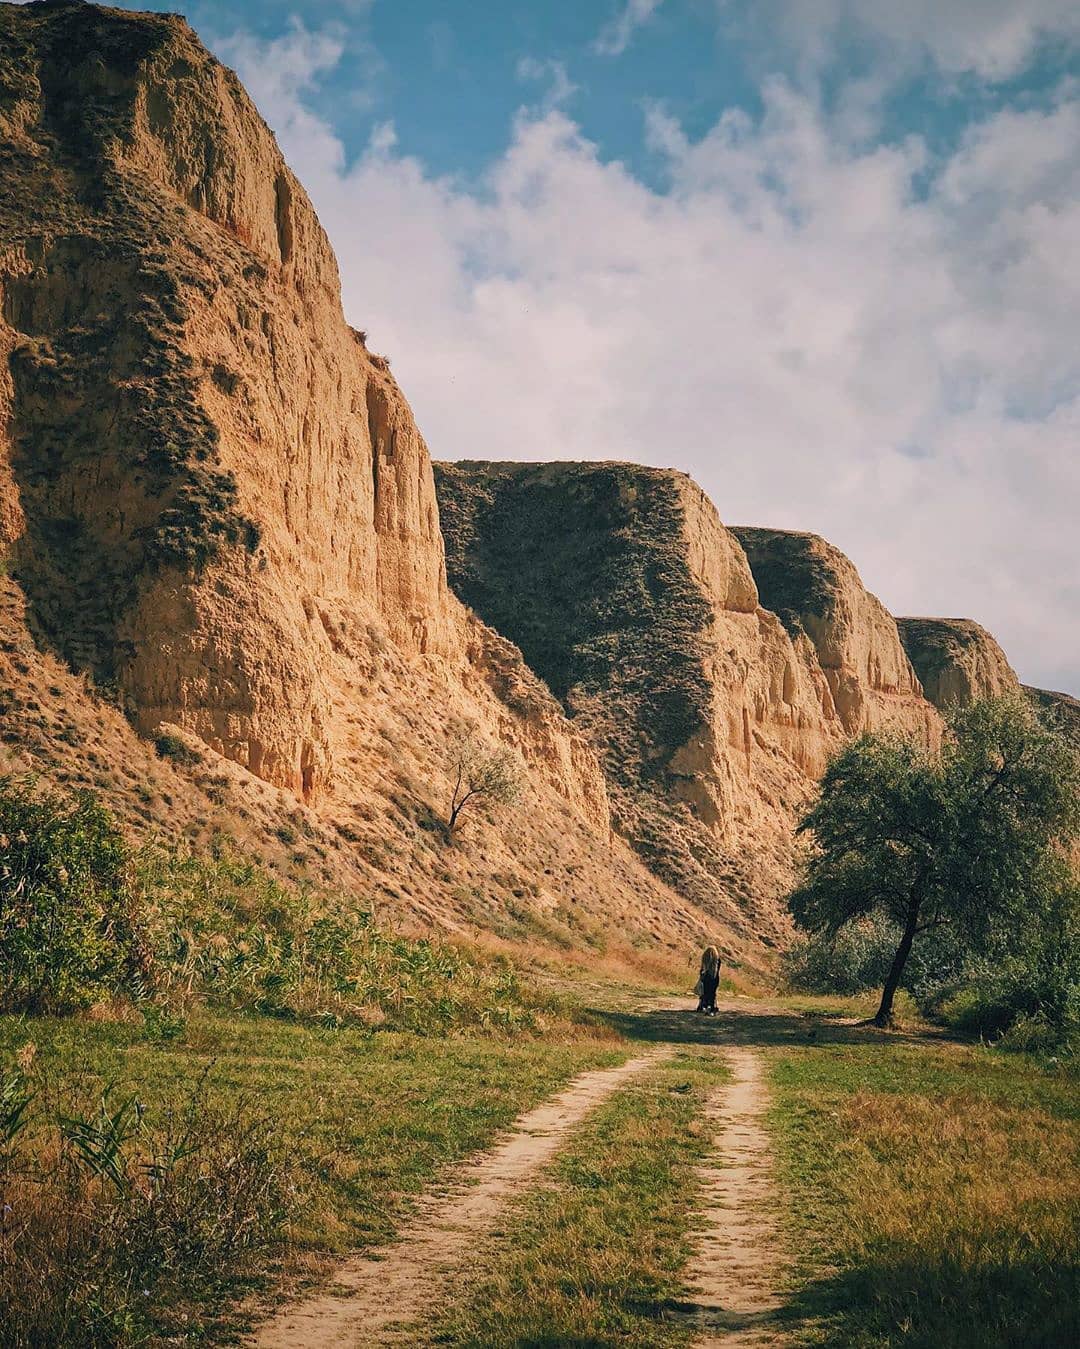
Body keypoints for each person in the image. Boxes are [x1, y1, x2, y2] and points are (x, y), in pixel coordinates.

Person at [696, 945, 720, 1015]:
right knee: (712, 993)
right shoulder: (717, 959)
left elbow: (702, 969)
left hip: (706, 978)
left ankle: (703, 1005)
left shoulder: (705, 958)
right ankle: (712, 1007)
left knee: (704, 992)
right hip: (714, 978)